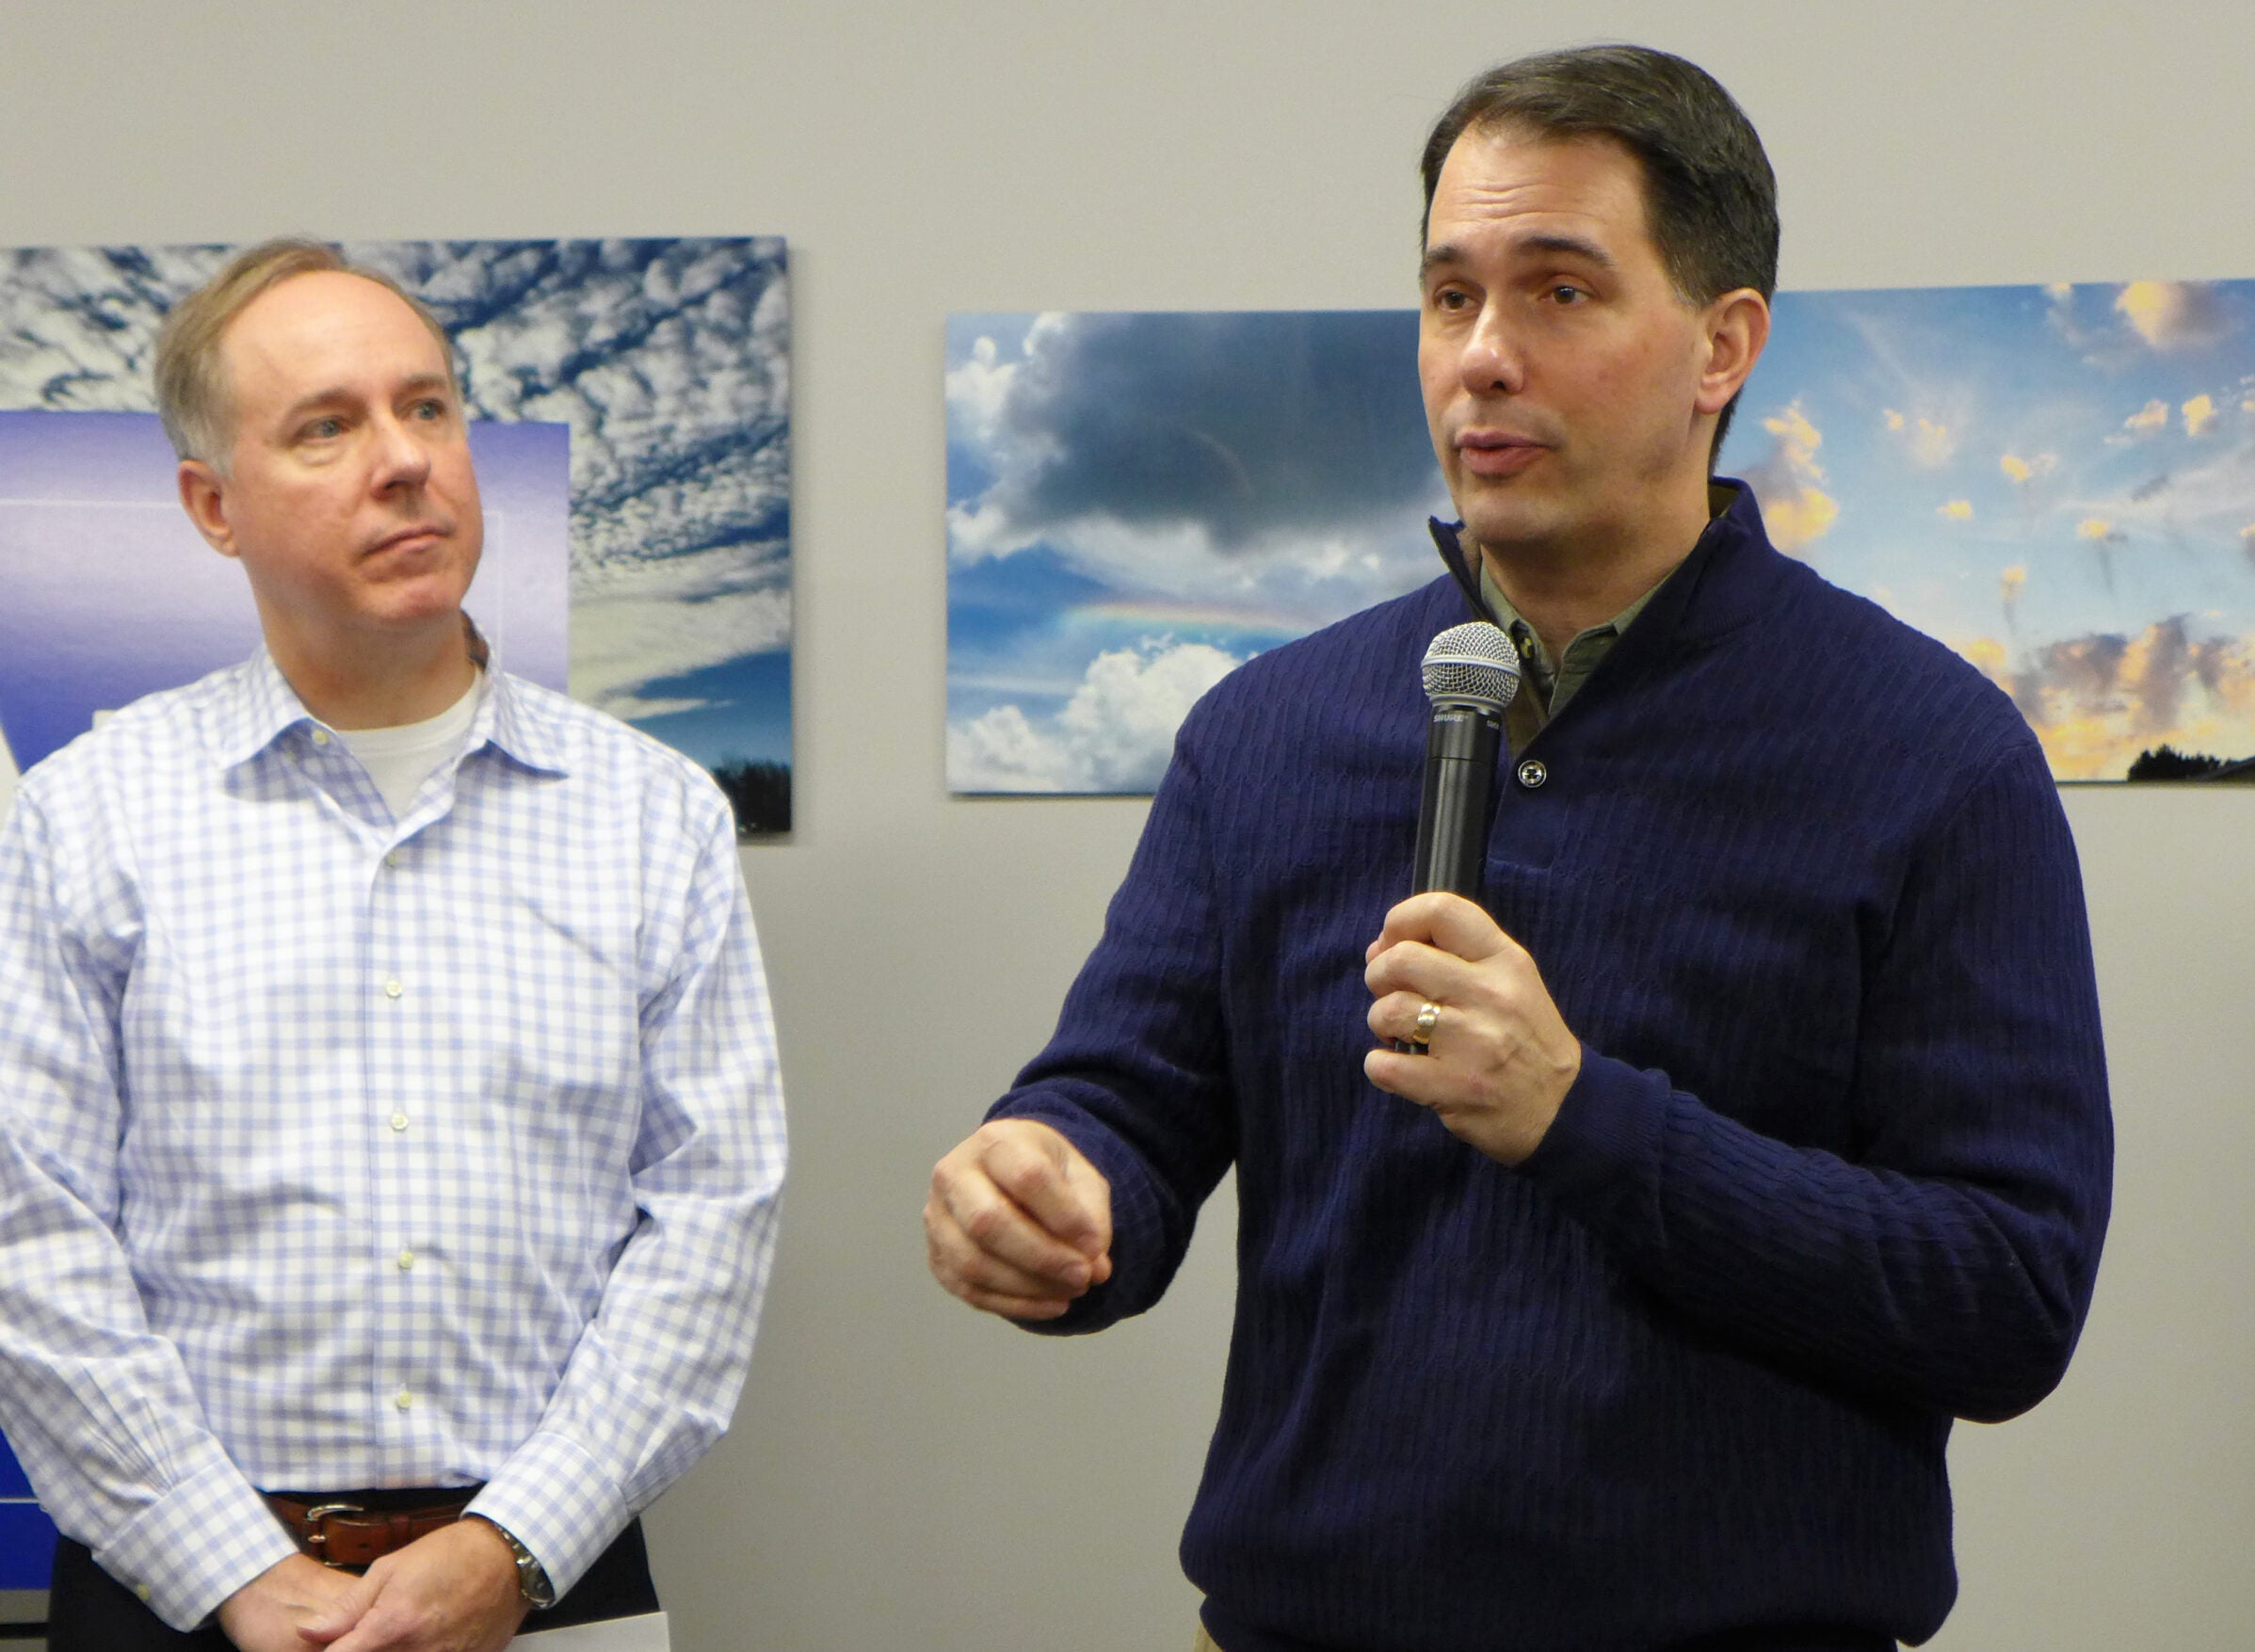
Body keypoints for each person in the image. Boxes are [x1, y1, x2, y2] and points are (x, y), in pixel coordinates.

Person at [926, 44, 2114, 1652]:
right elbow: (1126, 1104)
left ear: (1722, 345)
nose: (1483, 358)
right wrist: (1053, 1184)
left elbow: (2008, 1297)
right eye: (1450, 297)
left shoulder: (1932, 756)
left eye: (1559, 292)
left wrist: (1582, 1115)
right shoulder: (1263, 734)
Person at [0, 240, 787, 1651]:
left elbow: (711, 1218)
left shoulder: (654, 814)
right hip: (174, 1595)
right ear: (213, 506)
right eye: (327, 427)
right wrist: (228, 1567)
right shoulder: (84, 817)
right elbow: (26, 1230)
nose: (406, 460)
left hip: (551, 1586)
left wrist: (511, 1546)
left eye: (427, 407)